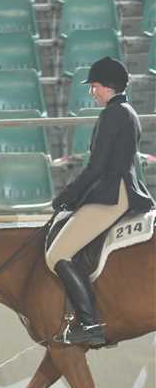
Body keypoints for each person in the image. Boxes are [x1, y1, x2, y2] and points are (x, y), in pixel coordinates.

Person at [45, 56, 155, 347]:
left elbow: (96, 167)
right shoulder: (127, 112)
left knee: (57, 255)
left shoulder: (113, 114)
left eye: (94, 86)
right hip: (116, 189)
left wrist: (67, 195)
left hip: (111, 194)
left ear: (107, 86)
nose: (92, 91)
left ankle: (91, 325)